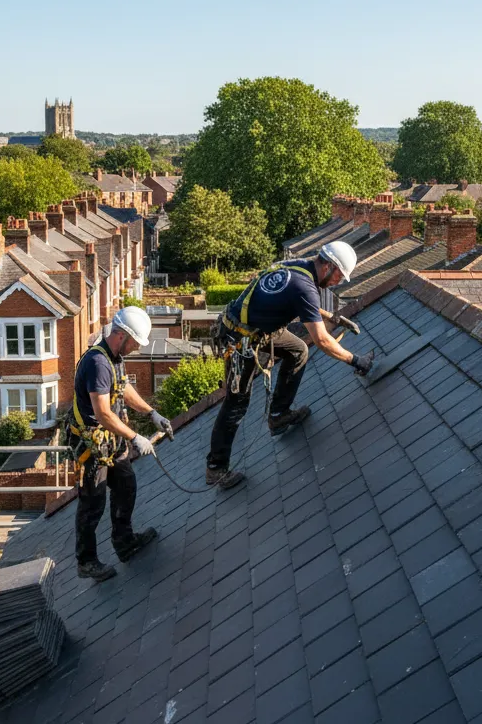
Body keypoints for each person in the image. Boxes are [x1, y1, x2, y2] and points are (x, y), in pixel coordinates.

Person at [206, 241, 374, 488]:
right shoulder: (304, 287)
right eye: (339, 275)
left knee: (298, 350)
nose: (339, 281)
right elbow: (323, 340)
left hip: (256, 329)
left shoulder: (298, 267)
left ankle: (278, 415)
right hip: (241, 339)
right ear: (328, 266)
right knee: (236, 403)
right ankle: (216, 468)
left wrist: (333, 317)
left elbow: (301, 302)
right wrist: (356, 360)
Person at [67, 305, 175, 582]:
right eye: (135, 343)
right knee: (93, 502)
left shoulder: (114, 358)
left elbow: (123, 387)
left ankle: (125, 542)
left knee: (126, 486)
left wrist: (151, 413)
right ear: (121, 336)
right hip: (92, 445)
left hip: (110, 440)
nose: (136, 349)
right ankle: (86, 561)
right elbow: (102, 413)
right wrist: (134, 437)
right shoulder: (98, 363)